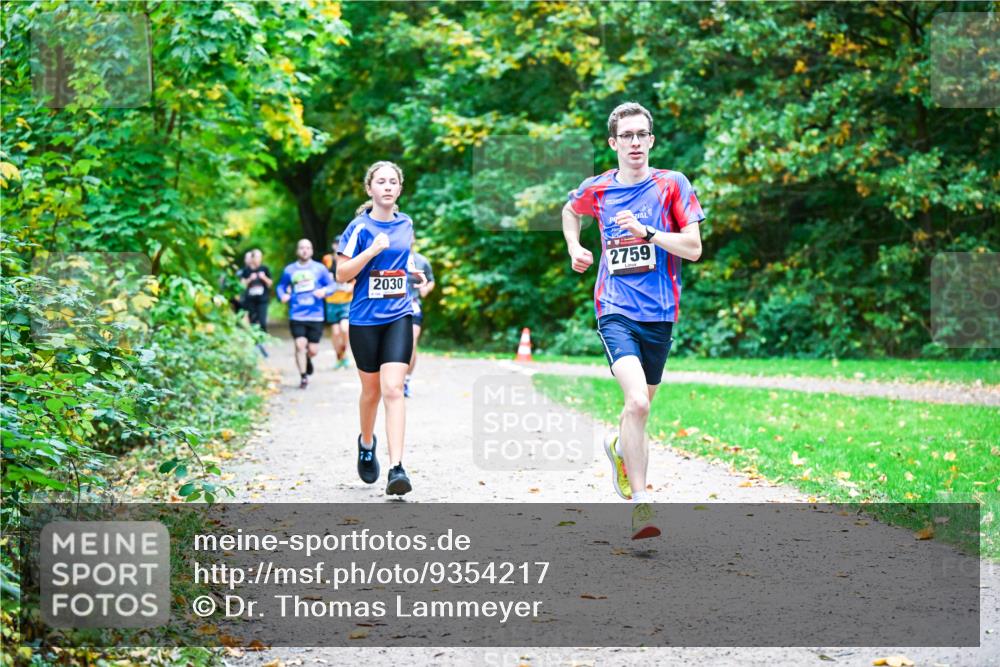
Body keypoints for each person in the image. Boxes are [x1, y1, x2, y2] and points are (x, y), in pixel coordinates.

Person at [562, 101, 704, 539]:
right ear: (613, 143)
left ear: (652, 140)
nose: (636, 142)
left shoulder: (672, 185)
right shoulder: (598, 188)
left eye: (642, 134)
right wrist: (575, 247)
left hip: (660, 314)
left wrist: (648, 233)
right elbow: (570, 210)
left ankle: (619, 447)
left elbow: (694, 248)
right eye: (627, 136)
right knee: (637, 402)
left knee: (640, 410)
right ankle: (642, 505)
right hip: (614, 308)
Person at [335, 161, 426, 496]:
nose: (387, 187)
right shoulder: (359, 228)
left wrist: (413, 271)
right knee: (371, 392)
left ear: (399, 189)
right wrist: (372, 251)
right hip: (364, 320)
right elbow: (341, 275)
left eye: (393, 182)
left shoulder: (406, 223)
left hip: (399, 315)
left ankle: (397, 468)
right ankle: (366, 442)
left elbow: (406, 256)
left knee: (393, 389)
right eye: (381, 182)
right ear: (369, 189)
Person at [276, 239, 332, 389]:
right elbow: (281, 286)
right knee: (300, 345)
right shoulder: (289, 270)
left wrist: (324, 291)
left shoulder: (320, 269)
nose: (305, 250)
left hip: (316, 314)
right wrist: (282, 295)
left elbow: (332, 285)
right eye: (302, 248)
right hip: (297, 314)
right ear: (297, 251)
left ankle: (308, 359)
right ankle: (303, 377)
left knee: (313, 350)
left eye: (308, 248)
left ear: (312, 251)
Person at [404, 233, 435, 397]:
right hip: (392, 306)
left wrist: (426, 289)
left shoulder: (422, 261)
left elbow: (431, 280)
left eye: (411, 236)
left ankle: (406, 380)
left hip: (413, 303)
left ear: (414, 239)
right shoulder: (392, 259)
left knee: (412, 342)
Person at [322, 236, 354, 369]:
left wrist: (352, 286)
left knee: (345, 328)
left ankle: (345, 352)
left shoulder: (350, 258)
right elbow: (322, 276)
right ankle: (339, 357)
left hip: (346, 300)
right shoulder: (327, 260)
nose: (338, 246)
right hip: (331, 301)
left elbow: (355, 276)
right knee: (335, 332)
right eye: (336, 243)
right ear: (333, 246)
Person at [239, 249, 273, 357]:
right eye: (257, 257)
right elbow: (242, 285)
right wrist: (249, 279)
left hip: (262, 300)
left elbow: (270, 284)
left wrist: (264, 278)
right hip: (250, 300)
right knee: (253, 322)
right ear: (252, 258)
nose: (259, 259)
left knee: (262, 321)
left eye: (260, 257)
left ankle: (262, 341)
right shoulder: (246, 270)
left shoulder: (264, 269)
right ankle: (256, 343)